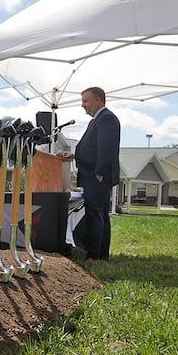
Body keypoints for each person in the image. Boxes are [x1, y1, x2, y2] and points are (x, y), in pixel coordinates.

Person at [60, 87, 120, 260]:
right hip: (92, 174)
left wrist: (100, 172)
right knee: (98, 214)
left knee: (96, 214)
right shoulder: (97, 120)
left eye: (86, 101)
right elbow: (92, 148)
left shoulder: (106, 118)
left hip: (97, 176)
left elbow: (106, 147)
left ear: (98, 100)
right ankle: (100, 254)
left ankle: (95, 255)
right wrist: (74, 155)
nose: (82, 105)